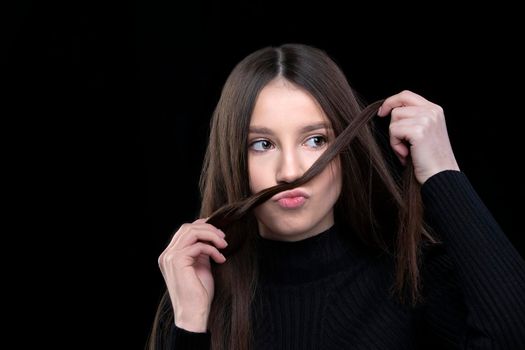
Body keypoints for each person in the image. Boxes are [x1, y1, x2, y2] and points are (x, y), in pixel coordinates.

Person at [148, 43, 525, 349]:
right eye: (262, 144)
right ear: (233, 157)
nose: (291, 171)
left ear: (346, 149)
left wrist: (443, 169)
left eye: (315, 140)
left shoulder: (413, 276)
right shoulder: (196, 291)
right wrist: (190, 325)